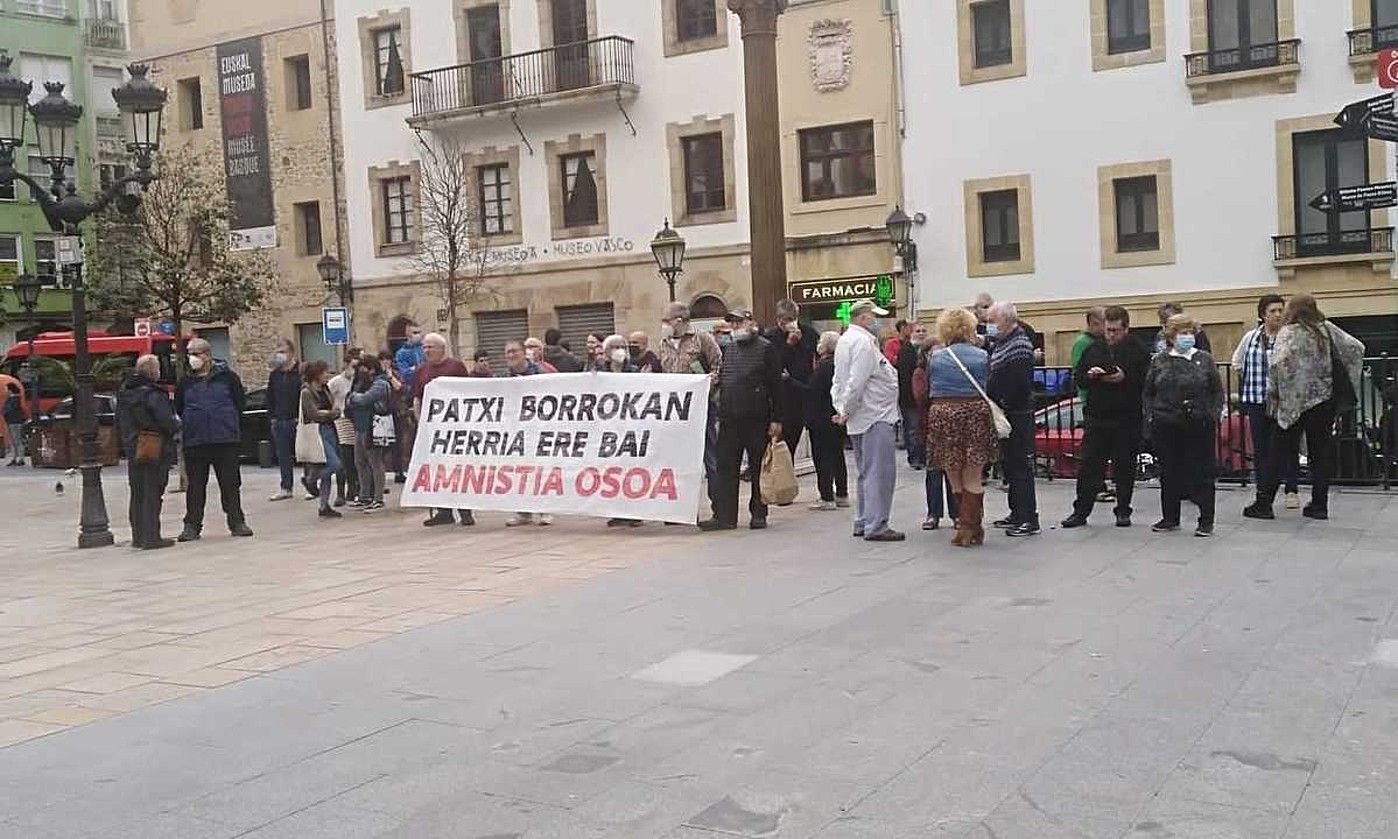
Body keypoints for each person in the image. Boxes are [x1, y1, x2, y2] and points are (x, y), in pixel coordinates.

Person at [1244, 294, 1365, 521]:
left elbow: (1277, 365)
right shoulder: (1326, 329)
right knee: (1320, 453)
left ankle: (1264, 503)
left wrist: (1275, 393)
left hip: (1293, 403)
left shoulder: (1287, 332)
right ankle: (1319, 505)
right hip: (1323, 400)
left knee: (1277, 452)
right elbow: (1356, 348)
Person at [1062, 306, 1150, 529]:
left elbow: (1146, 380)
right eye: (1108, 330)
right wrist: (1091, 376)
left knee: (1124, 465)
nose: (1110, 335)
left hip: (1126, 416)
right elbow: (1079, 378)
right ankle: (1081, 511)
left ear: (1126, 329)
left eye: (1115, 331)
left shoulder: (1137, 349)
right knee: (1090, 465)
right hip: (1098, 415)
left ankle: (1123, 510)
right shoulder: (1094, 348)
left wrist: (1124, 377)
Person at [699, 309, 783, 532]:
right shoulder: (729, 349)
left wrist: (777, 419)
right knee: (726, 467)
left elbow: (776, 385)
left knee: (757, 467)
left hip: (757, 417)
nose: (736, 327)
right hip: (729, 418)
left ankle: (759, 513)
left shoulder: (766, 348)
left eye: (739, 322)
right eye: (733, 323)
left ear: (751, 323)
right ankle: (725, 516)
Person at [1144, 315, 1224, 536]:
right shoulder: (1159, 360)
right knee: (1169, 471)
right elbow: (1149, 392)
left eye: (1190, 332)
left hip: (1199, 422)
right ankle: (1170, 517)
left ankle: (1206, 519)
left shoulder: (1204, 359)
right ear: (1171, 335)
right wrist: (1152, 416)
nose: (1187, 337)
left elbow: (1216, 390)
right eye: (1182, 332)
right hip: (1167, 423)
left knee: (1202, 472)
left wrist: (1212, 413)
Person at [832, 299, 905, 542]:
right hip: (874, 415)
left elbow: (839, 382)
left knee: (866, 471)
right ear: (863, 318)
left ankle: (864, 519)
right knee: (879, 472)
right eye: (875, 317)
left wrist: (842, 408)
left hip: (863, 415)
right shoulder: (862, 342)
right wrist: (846, 408)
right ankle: (876, 523)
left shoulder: (846, 340)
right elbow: (856, 381)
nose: (879, 323)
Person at [926, 308, 998, 547]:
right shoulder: (981, 356)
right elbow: (988, 382)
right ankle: (972, 527)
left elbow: (930, 386)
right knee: (974, 476)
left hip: (944, 414)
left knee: (953, 473)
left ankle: (966, 527)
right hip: (976, 414)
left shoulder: (935, 357)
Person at [176, 338, 252, 541]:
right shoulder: (185, 382)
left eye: (196, 353)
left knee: (230, 484)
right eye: (189, 353)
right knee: (195, 486)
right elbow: (179, 407)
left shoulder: (228, 378)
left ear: (207, 355)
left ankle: (237, 521)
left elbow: (239, 404)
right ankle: (192, 525)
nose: (191, 357)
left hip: (225, 439)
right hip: (196, 441)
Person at [1232, 294, 1299, 509]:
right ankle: (1263, 492)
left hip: (1283, 402)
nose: (1278, 315)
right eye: (1273, 311)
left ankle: (1291, 488)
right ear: (1263, 314)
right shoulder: (1251, 337)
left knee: (1285, 447)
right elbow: (1237, 362)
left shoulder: (1289, 337)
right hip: (1256, 400)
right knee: (1261, 448)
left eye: (1281, 310)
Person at [658, 302, 723, 511]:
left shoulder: (702, 339)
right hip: (675, 410)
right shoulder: (664, 343)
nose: (664, 325)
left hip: (701, 407)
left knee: (710, 456)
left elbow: (718, 366)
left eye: (666, 320)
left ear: (679, 320)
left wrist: (706, 384)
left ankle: (719, 505)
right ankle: (679, 507)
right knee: (676, 459)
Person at [986, 302, 1039, 537]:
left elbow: (1019, 382)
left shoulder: (1019, 344)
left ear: (1006, 320)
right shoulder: (1002, 342)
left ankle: (1028, 517)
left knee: (1020, 467)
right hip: (1006, 411)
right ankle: (1016, 512)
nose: (990, 326)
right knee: (1010, 466)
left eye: (992, 321)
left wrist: (1005, 402)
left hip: (1016, 413)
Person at [116, 355, 180, 549]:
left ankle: (138, 535)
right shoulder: (153, 394)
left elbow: (119, 421)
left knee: (137, 491)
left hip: (132, 446)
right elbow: (166, 421)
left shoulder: (124, 393)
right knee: (153, 491)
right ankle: (151, 536)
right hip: (154, 445)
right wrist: (176, 424)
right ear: (154, 371)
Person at [413, 333, 475, 527]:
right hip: (433, 429)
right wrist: (421, 422)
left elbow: (468, 394)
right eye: (424, 347)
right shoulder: (421, 370)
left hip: (455, 428)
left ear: (442, 348)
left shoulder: (455, 367)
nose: (427, 350)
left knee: (458, 469)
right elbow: (417, 398)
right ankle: (444, 511)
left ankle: (465, 511)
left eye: (431, 347)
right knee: (438, 471)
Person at [502, 339, 551, 527]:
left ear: (524, 353)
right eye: (508, 352)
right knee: (519, 471)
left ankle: (545, 510)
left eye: (514, 351)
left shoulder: (541, 374)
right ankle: (523, 512)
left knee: (541, 470)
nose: (511, 355)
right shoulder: (504, 378)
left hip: (539, 429)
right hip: (516, 432)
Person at [763, 299, 819, 458]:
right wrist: (789, 345)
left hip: (802, 393)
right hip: (780, 397)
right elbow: (773, 365)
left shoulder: (809, 334)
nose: (787, 323)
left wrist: (800, 344)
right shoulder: (770, 337)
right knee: (781, 448)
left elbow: (815, 359)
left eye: (791, 319)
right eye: (784, 319)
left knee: (795, 442)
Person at [914, 335, 959, 530]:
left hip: (950, 425)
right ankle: (933, 513)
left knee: (953, 471)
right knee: (933, 472)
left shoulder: (950, 370)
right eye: (935, 352)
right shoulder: (920, 373)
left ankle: (956, 513)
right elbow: (921, 397)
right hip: (931, 425)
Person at [801, 331, 849, 511]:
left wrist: (790, 381)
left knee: (822, 458)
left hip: (821, 418)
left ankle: (827, 496)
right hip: (836, 415)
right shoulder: (840, 365)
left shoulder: (824, 366)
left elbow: (811, 389)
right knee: (838, 455)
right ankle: (842, 493)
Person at [346, 355, 392, 512]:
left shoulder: (380, 383)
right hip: (359, 426)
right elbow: (350, 399)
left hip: (374, 427)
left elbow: (365, 399)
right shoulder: (361, 383)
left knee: (375, 462)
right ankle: (364, 496)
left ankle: (378, 498)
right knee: (360, 462)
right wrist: (353, 397)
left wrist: (354, 397)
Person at [300, 361, 343, 519]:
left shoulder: (325, 389)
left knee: (327, 469)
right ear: (316, 374)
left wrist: (330, 413)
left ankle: (324, 505)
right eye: (325, 372)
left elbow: (333, 409)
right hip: (316, 431)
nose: (327, 375)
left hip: (330, 429)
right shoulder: (307, 392)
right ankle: (310, 479)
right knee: (335, 464)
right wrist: (330, 413)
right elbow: (313, 414)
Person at [265, 339, 301, 500]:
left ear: (292, 352)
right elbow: (270, 397)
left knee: (303, 453)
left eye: (283, 351)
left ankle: (310, 484)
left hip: (296, 419)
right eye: (278, 351)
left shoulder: (300, 372)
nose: (280, 355)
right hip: (279, 419)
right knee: (283, 455)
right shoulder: (275, 374)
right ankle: (286, 487)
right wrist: (272, 417)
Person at [393, 324, 426, 484]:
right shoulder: (402, 353)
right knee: (410, 436)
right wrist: (417, 369)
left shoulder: (424, 349)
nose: (417, 335)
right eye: (414, 333)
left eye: (419, 332)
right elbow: (406, 374)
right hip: (411, 396)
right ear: (407, 334)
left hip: (426, 394)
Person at [328, 351, 361, 507]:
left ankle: (355, 488)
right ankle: (342, 491)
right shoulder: (336, 382)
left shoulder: (359, 381)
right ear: (346, 365)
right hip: (341, 420)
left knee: (357, 458)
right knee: (345, 457)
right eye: (353, 366)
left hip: (355, 420)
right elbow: (327, 397)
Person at [896, 323, 926, 469]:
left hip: (925, 397)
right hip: (909, 397)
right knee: (912, 427)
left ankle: (923, 455)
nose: (921, 333)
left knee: (923, 427)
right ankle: (914, 457)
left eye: (923, 331)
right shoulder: (906, 350)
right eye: (918, 331)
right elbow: (903, 376)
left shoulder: (927, 350)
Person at [1071, 308, 1107, 402]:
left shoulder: (1102, 340)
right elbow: (1078, 367)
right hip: (1089, 394)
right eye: (1104, 322)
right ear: (1094, 323)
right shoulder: (1082, 342)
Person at [4, 382, 24, 466]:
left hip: (14, 421)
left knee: (17, 440)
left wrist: (5, 411)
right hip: (12, 421)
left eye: (6, 389)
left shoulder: (14, 399)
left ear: (10, 390)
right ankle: (15, 457)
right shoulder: (13, 398)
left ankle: (19, 458)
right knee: (14, 440)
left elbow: (10, 409)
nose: (5, 391)